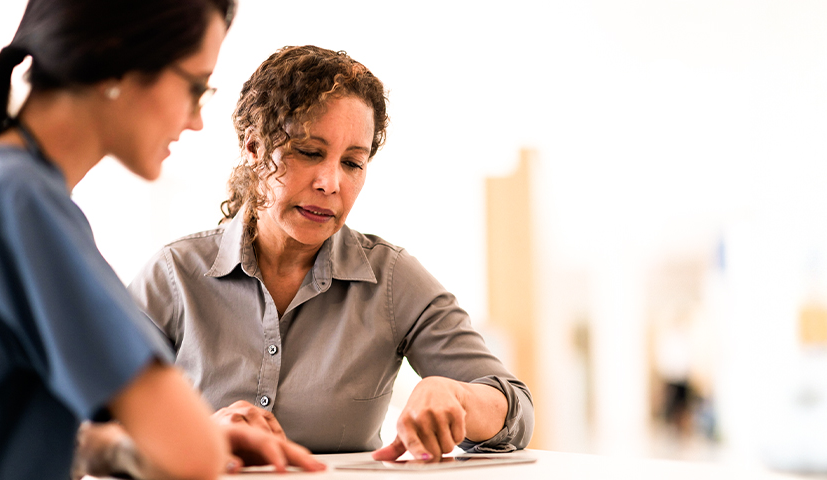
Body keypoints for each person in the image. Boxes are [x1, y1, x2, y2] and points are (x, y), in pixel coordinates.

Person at [128, 45, 535, 461]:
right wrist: (197, 432)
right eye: (309, 153)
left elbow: (516, 409)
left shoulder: (391, 281)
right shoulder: (173, 275)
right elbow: (92, 424)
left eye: (353, 163)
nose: (330, 182)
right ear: (253, 148)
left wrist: (459, 397)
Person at [0, 1, 324, 478]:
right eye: (196, 88)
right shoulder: (21, 202)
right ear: (116, 58)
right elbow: (191, 456)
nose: (196, 120)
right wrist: (194, 437)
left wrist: (122, 447)